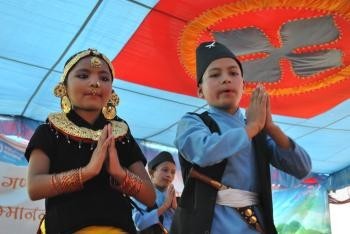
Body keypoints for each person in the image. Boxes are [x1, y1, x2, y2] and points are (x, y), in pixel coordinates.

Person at [171, 41, 312, 234]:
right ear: (200, 91)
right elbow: (204, 152)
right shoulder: (193, 122)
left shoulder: (257, 130)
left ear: (243, 85)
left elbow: (302, 168)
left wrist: (270, 128)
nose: (226, 79)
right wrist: (253, 127)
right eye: (214, 75)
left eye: (233, 73)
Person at [25, 48, 156, 234]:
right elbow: (34, 188)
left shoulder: (120, 134)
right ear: (64, 85)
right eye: (83, 75)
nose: (95, 83)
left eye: (104, 78)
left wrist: (119, 172)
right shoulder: (49, 131)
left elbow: (150, 197)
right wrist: (87, 172)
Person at [132, 151, 177, 234]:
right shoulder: (141, 193)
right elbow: (139, 224)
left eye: (173, 172)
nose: (169, 175)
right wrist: (164, 207)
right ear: (151, 172)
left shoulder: (172, 197)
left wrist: (175, 209)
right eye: (165, 170)